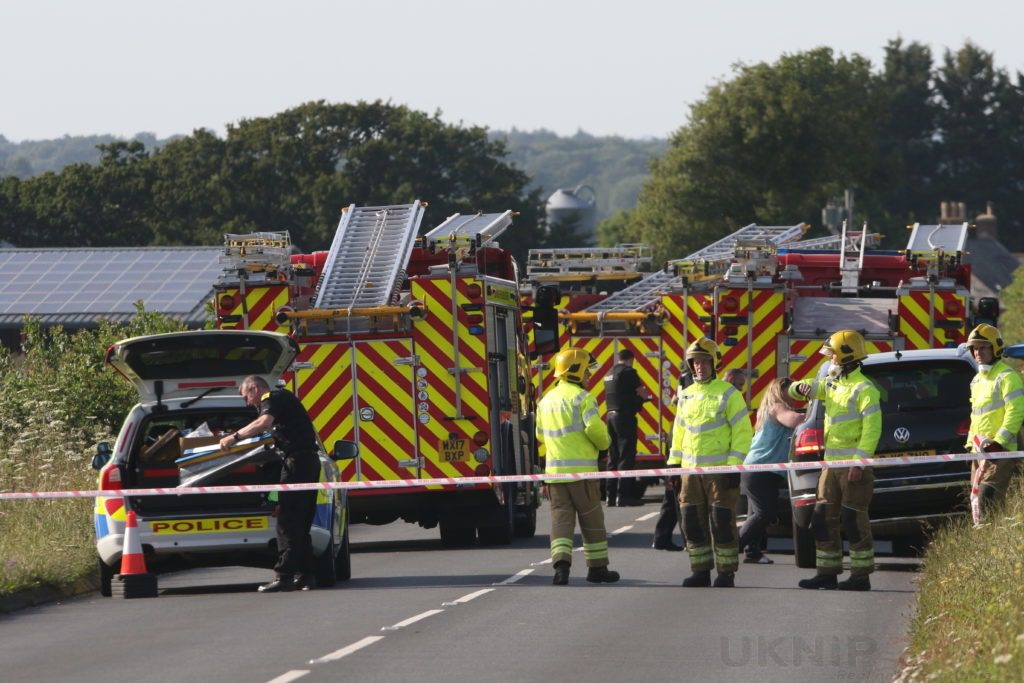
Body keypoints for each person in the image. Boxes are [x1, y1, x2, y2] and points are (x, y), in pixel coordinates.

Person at [790, 329, 881, 592]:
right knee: (822, 518)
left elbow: (872, 430)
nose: (829, 359)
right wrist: (799, 387)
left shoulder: (865, 389)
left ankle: (860, 577)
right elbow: (801, 390)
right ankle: (827, 574)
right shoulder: (833, 384)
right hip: (830, 465)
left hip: (852, 467)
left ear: (845, 356)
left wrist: (859, 463)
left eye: (832, 355)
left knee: (853, 520)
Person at [220, 375, 321, 593]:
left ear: (255, 388)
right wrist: (276, 499)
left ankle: (284, 576)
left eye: (246, 397)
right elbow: (276, 467)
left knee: (288, 522)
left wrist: (232, 438)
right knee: (299, 522)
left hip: (298, 464)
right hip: (304, 463)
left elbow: (262, 423)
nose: (248, 403)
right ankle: (306, 575)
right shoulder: (282, 403)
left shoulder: (273, 398)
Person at [672, 338, 753, 588]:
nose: (699, 366)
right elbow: (679, 432)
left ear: (715, 363)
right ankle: (700, 571)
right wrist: (674, 465)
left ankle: (726, 573)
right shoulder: (686, 395)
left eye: (705, 362)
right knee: (692, 522)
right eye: (695, 362)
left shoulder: (729, 394)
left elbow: (742, 432)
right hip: (690, 473)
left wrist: (733, 466)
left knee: (722, 522)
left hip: (720, 472)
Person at [536, 347, 620, 586]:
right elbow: (595, 429)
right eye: (586, 372)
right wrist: (605, 443)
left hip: (555, 476)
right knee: (592, 521)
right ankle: (597, 569)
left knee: (561, 522)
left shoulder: (545, 401)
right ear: (576, 371)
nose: (589, 376)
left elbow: (540, 435)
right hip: (582, 475)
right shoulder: (583, 398)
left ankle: (561, 568)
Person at [738, 378, 804, 564]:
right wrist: (817, 412)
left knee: (754, 514)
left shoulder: (768, 410)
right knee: (765, 513)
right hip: (761, 470)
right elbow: (796, 420)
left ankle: (753, 551)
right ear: (780, 392)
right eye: (790, 391)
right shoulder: (777, 407)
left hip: (759, 470)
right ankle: (731, 547)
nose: (794, 396)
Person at [964, 324, 1024, 515]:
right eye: (974, 348)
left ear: (995, 348)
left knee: (987, 498)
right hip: (979, 452)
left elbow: (1016, 412)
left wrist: (999, 443)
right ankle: (992, 532)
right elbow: (976, 417)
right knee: (976, 504)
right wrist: (970, 447)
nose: (978, 352)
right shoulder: (977, 380)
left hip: (1000, 452)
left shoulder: (1007, 377)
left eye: (983, 347)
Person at [652, 365, 691, 552]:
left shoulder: (683, 381)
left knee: (672, 496)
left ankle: (662, 538)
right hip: (683, 446)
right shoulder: (692, 381)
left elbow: (675, 399)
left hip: (675, 442)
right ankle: (689, 540)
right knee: (683, 498)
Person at [606, 349, 650, 507]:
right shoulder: (629, 372)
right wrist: (645, 398)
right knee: (626, 456)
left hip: (610, 417)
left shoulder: (609, 373)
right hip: (624, 417)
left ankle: (610, 496)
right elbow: (642, 393)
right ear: (631, 359)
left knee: (613, 457)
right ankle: (623, 496)